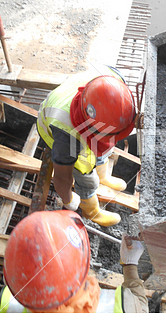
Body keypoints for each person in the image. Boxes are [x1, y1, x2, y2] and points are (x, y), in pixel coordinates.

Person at [0, 210, 148, 313]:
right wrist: (130, 264)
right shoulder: (124, 307)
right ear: (84, 262)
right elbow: (141, 308)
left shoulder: (0, 307)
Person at [37, 65, 136, 227]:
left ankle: (103, 176)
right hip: (53, 128)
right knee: (85, 173)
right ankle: (91, 210)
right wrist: (69, 200)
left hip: (79, 118)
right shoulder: (67, 138)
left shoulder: (112, 78)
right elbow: (62, 178)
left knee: (105, 147)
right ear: (92, 129)